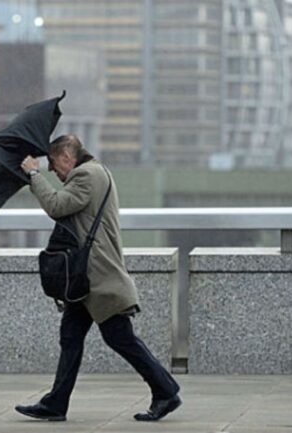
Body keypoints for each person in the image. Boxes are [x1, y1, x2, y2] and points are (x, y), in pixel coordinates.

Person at [15, 134, 181, 422]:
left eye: (54, 164)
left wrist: (33, 174)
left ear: (67, 156)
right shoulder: (93, 172)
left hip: (98, 278)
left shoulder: (86, 176)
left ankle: (165, 391)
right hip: (85, 280)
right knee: (70, 337)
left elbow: (56, 206)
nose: (53, 171)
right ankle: (56, 403)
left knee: (120, 338)